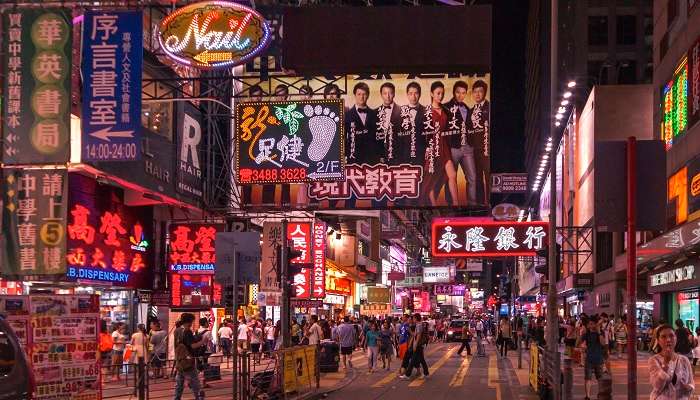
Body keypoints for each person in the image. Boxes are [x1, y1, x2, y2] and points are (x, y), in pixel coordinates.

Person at [420, 81, 459, 206]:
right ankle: (434, 204)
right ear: (432, 93)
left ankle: (456, 203)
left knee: (452, 174)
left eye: (442, 93)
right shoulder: (426, 111)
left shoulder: (446, 110)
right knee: (431, 178)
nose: (440, 96)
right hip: (432, 146)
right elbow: (422, 132)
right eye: (438, 93)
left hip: (444, 146)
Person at [444, 80, 477, 206]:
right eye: (458, 92)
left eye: (463, 93)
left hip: (467, 147)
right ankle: (450, 205)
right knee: (451, 177)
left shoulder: (468, 109)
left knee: (472, 177)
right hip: (453, 148)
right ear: (454, 92)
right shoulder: (446, 107)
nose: (460, 95)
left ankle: (472, 205)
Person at [650, 324, 695, 399]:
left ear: (676, 339)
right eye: (663, 337)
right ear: (658, 340)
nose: (668, 340)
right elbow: (657, 386)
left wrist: (689, 387)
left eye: (671, 336)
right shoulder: (654, 360)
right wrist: (665, 364)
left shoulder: (684, 360)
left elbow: (691, 382)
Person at [345, 82, 381, 165]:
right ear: (355, 95)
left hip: (372, 158)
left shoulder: (375, 114)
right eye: (359, 94)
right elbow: (344, 138)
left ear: (368, 95)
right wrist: (346, 155)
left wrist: (380, 155)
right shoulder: (347, 115)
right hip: (354, 158)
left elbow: (379, 137)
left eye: (364, 94)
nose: (361, 97)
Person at [467, 79, 490, 205]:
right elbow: (468, 130)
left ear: (485, 93)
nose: (477, 94)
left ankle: (489, 203)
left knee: (488, 177)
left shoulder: (489, 108)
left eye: (480, 91)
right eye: (475, 92)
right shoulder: (471, 111)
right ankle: (481, 204)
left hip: (487, 149)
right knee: (477, 178)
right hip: (474, 150)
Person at [174, 313, 205, 400]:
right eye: (192, 321)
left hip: (180, 359)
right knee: (195, 381)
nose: (192, 323)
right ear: (189, 321)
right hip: (188, 360)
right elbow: (193, 346)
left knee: (179, 382)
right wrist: (203, 341)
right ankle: (198, 397)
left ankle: (176, 398)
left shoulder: (177, 330)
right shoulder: (187, 331)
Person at [397, 82, 425, 165]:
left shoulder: (426, 111)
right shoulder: (400, 111)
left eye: (416, 93)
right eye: (411, 93)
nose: (413, 97)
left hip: (421, 155)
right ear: (407, 95)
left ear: (419, 94)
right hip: (404, 155)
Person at [579, 317, 606, 400]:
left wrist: (598, 332)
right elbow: (577, 342)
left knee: (600, 378)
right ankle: (587, 396)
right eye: (589, 324)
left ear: (595, 324)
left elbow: (603, 343)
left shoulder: (600, 333)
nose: (590, 326)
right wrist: (582, 341)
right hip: (589, 359)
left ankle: (600, 394)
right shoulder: (586, 334)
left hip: (599, 358)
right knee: (588, 378)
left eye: (592, 324)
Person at [375, 82, 402, 164]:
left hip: (397, 153)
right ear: (381, 95)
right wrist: (379, 154)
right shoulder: (375, 112)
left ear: (394, 94)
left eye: (390, 93)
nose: (387, 96)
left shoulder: (402, 111)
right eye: (385, 93)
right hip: (380, 152)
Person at [402, 314, 430, 379]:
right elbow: (415, 334)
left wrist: (415, 344)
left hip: (418, 345)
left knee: (413, 360)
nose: (413, 320)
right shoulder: (420, 325)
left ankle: (407, 375)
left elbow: (418, 335)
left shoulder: (419, 325)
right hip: (419, 345)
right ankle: (426, 373)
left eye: (414, 318)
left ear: (416, 318)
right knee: (422, 360)